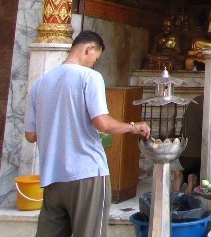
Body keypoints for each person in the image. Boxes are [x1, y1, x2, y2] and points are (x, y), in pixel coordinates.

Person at [24, 31, 151, 237]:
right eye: (96, 59)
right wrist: (133, 126)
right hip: (86, 173)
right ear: (89, 49)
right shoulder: (89, 77)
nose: (94, 63)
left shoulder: (40, 83)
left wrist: (56, 124)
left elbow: (31, 135)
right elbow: (102, 123)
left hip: (53, 176)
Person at [174, 94, 204, 194]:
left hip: (184, 157)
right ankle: (193, 180)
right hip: (199, 158)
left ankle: (181, 175)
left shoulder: (195, 100)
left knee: (190, 169)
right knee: (207, 175)